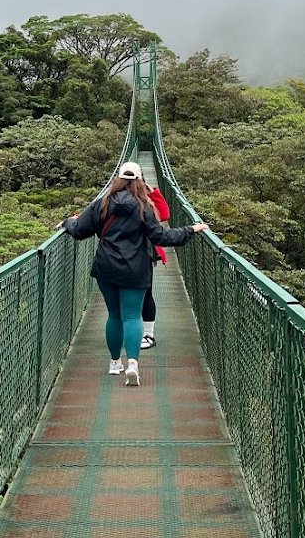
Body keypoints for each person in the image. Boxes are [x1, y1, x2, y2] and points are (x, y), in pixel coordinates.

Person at [62, 161, 208, 386]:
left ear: (117, 180)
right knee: (131, 316)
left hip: (106, 267)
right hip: (135, 268)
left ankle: (114, 363)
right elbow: (161, 237)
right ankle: (132, 365)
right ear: (140, 181)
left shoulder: (101, 204)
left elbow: (80, 230)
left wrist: (68, 222)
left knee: (114, 315)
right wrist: (190, 230)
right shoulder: (144, 207)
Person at [138, 171, 170, 350]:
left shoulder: (147, 203)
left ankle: (148, 334)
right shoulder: (115, 201)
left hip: (145, 254)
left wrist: (153, 193)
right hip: (123, 255)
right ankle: (133, 333)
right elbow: (98, 217)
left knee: (146, 294)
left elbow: (164, 215)